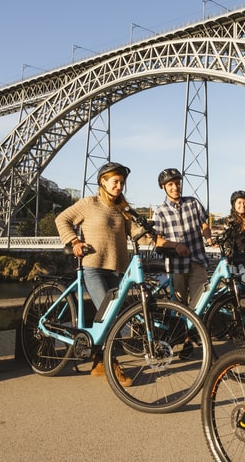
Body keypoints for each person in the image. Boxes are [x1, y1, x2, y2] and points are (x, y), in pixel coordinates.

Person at [54, 161, 144, 386]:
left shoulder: (122, 209)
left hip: (117, 268)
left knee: (108, 316)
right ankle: (110, 365)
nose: (119, 186)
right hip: (93, 266)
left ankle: (97, 363)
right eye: (115, 181)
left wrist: (159, 239)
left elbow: (137, 232)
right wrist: (73, 240)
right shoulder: (88, 203)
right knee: (110, 315)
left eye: (122, 182)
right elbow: (61, 219)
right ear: (103, 182)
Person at [153, 167, 212, 308]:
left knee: (201, 302)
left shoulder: (193, 203)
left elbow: (204, 225)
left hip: (197, 259)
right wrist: (175, 245)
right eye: (170, 184)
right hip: (176, 265)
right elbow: (158, 240)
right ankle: (182, 329)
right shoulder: (160, 211)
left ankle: (197, 330)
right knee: (179, 306)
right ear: (163, 187)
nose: (175, 187)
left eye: (177, 183)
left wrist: (209, 238)